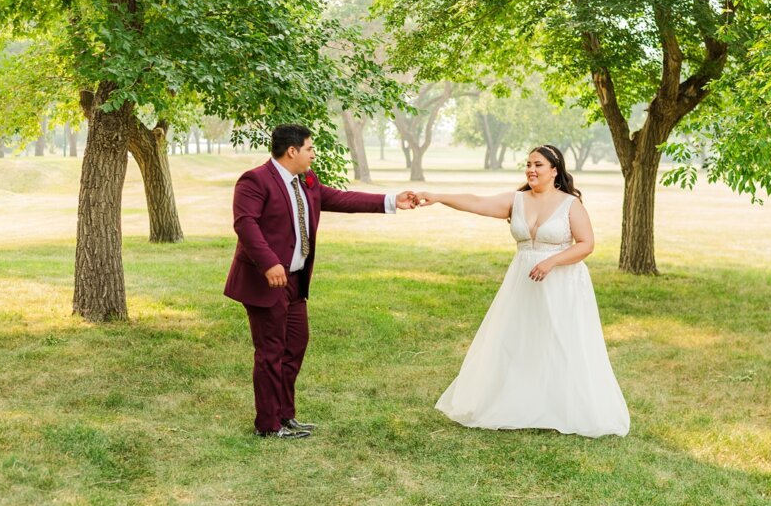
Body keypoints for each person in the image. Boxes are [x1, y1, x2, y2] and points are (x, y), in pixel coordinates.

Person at [414, 145, 629, 437]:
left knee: (562, 341)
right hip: (523, 281)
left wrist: (552, 261)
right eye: (528, 164)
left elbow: (586, 244)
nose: (531, 170)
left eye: (538, 165)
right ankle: (516, 401)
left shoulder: (570, 204)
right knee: (517, 338)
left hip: (561, 282)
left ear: (555, 170)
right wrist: (438, 197)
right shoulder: (517, 201)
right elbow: (476, 202)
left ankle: (566, 404)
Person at [224, 124, 416, 439]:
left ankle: (285, 416)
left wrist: (393, 201)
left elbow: (343, 199)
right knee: (271, 352)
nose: (313, 154)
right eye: (310, 148)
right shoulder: (254, 181)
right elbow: (245, 224)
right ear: (292, 151)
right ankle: (268, 425)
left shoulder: (307, 182)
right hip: (266, 281)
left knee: (295, 346)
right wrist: (269, 262)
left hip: (295, 281)